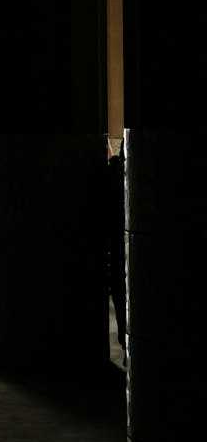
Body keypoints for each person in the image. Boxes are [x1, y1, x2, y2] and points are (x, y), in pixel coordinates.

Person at [105, 139, 126, 364]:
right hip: (121, 250)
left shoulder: (114, 179)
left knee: (120, 296)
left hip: (118, 251)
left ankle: (125, 341)